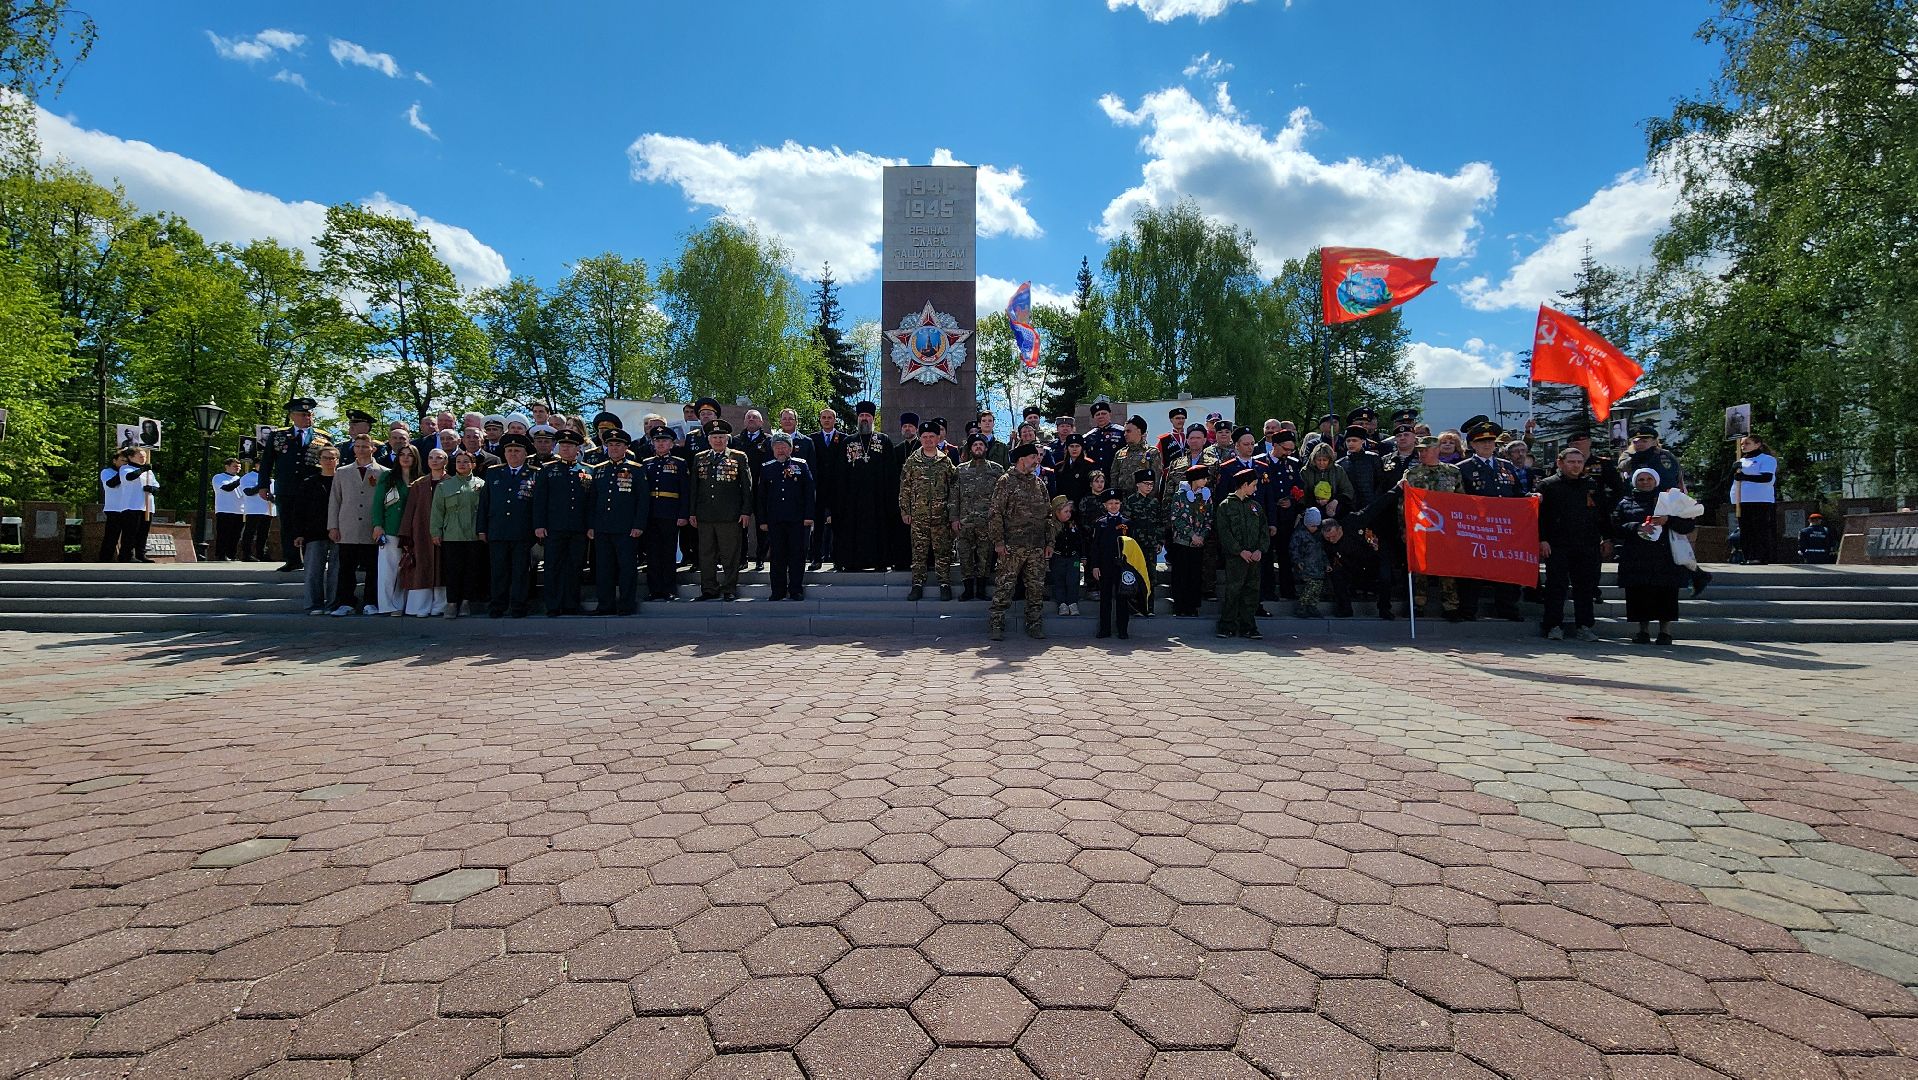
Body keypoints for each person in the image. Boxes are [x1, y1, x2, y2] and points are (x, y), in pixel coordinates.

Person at [1614, 466, 1696, 644]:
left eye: (1648, 479)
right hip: (1636, 556)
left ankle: (1665, 632)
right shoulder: (1625, 502)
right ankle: (1642, 631)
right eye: (1641, 480)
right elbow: (1615, 527)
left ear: (1656, 481)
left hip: (1664, 556)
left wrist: (1668, 520)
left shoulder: (1669, 501)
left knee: (1665, 593)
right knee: (1639, 593)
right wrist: (1637, 527)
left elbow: (1688, 525)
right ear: (1635, 482)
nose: (1645, 483)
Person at [1536, 446, 1608, 641]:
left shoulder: (1591, 484)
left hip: (1587, 544)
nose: (1576, 466)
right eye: (1571, 462)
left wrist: (1605, 537)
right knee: (1556, 586)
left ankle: (1584, 626)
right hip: (1558, 544)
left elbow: (1601, 514)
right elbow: (1540, 517)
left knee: (1585, 586)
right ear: (1560, 463)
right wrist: (1542, 539)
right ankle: (1553, 626)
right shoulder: (1547, 485)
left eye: (1579, 462)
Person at [1457, 420, 1527, 621]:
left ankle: (1507, 608)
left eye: (1490, 441)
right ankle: (1468, 609)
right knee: (1473, 570)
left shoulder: (1506, 466)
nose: (1487, 445)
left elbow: (1517, 493)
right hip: (1476, 528)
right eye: (1481, 442)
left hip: (1504, 529)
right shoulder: (1463, 468)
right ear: (1473, 445)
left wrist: (1531, 497)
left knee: (1506, 569)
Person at [986, 443, 1055, 640]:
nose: (1036, 460)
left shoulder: (1039, 484)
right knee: (1004, 587)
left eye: (1037, 457)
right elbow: (995, 513)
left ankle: (1034, 625)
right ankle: (996, 625)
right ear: (1021, 459)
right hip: (1011, 547)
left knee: (1035, 588)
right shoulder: (1005, 482)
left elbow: (1048, 515)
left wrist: (1049, 542)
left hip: (1036, 547)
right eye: (1033, 457)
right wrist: (998, 541)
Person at [258, 396, 330, 572]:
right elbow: (267, 462)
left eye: (309, 414)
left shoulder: (322, 436)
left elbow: (330, 461)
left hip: (313, 490)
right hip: (287, 488)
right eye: (302, 414)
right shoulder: (278, 436)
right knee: (288, 524)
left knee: (311, 524)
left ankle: (311, 559)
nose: (307, 417)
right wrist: (263, 485)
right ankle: (292, 559)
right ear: (292, 416)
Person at [1399, 436, 1464, 621]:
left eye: (1425, 450)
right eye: (1419, 450)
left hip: (1447, 529)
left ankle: (1451, 605)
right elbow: (1403, 504)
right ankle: (1418, 604)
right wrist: (1404, 528)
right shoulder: (1411, 474)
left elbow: (1462, 501)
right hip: (1421, 527)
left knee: (1447, 567)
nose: (1421, 453)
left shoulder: (1453, 472)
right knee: (1420, 567)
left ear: (1436, 450)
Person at [691, 419, 754, 601]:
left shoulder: (738, 457)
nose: (718, 440)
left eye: (721, 437)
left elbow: (746, 487)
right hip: (705, 515)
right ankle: (709, 589)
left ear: (727, 439)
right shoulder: (699, 457)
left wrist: (745, 511)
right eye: (714, 437)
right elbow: (694, 488)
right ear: (709, 439)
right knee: (706, 555)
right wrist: (692, 512)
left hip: (730, 515)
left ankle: (729, 588)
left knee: (730, 554)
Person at [534, 430, 594, 617]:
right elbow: (539, 500)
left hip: (578, 527)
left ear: (578, 449)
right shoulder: (547, 469)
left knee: (575, 566)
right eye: (562, 445)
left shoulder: (587, 470)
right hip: (554, 527)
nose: (565, 448)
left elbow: (591, 503)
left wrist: (590, 525)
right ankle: (553, 605)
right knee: (553, 566)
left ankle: (571, 603)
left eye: (569, 446)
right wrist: (539, 524)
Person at [325, 435, 386, 615]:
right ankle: (346, 602)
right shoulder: (342, 472)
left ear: (373, 449)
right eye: (357, 446)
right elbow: (335, 500)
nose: (361, 449)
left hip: (371, 527)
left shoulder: (383, 472)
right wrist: (333, 526)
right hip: (348, 527)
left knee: (372, 568)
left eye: (365, 446)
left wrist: (380, 525)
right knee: (346, 568)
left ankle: (371, 601)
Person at [480, 432, 538, 617]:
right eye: (509, 450)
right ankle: (498, 605)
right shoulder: (493, 472)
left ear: (525, 454)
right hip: (497, 530)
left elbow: (537, 505)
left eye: (517, 450)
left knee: (521, 571)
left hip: (522, 531)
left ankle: (519, 606)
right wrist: (481, 528)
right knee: (498, 571)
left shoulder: (535, 473)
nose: (513, 454)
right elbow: (485, 503)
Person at [898, 420, 957, 601]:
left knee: (942, 552)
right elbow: (905, 487)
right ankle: (917, 584)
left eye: (932, 437)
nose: (928, 440)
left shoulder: (945, 461)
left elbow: (954, 489)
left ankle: (944, 584)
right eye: (924, 437)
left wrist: (953, 514)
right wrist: (905, 511)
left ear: (938, 438)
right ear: (920, 438)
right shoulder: (912, 461)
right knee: (919, 552)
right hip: (918, 516)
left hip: (941, 516)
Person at [590, 429, 646, 616]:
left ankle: (626, 604)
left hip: (626, 528)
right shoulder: (599, 469)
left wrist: (638, 525)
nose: (614, 448)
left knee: (627, 568)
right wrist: (591, 525)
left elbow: (643, 500)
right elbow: (592, 500)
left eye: (618, 445)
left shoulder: (636, 469)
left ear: (626, 447)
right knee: (604, 568)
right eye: (611, 444)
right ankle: (605, 605)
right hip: (602, 528)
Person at [757, 431, 816, 601]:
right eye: (777, 447)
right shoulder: (767, 468)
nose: (780, 450)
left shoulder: (801, 465)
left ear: (791, 449)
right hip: (775, 520)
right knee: (777, 557)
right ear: (772, 449)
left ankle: (796, 589)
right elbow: (761, 497)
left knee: (797, 555)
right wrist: (762, 520)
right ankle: (778, 590)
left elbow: (809, 492)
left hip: (797, 520)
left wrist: (809, 516)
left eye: (784, 447)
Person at [835, 402, 893, 572]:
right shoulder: (848, 442)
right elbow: (841, 473)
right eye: (862, 416)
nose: (864, 419)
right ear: (858, 418)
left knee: (878, 529)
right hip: (854, 499)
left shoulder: (883, 440)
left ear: (873, 419)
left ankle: (880, 561)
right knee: (854, 530)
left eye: (868, 416)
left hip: (878, 497)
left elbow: (891, 472)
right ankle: (853, 562)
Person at [950, 433, 1005, 600]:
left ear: (986, 448)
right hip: (965, 521)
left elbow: (1001, 497)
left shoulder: (996, 469)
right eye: (975, 445)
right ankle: (968, 589)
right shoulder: (960, 470)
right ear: (970, 448)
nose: (978, 447)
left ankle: (981, 589)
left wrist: (997, 519)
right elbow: (954, 496)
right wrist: (954, 519)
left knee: (985, 557)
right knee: (965, 556)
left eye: (981, 445)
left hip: (986, 522)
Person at [432, 450, 487, 618]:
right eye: (459, 462)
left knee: (471, 570)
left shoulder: (482, 485)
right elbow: (437, 511)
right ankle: (451, 603)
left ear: (473, 465)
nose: (462, 464)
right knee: (453, 570)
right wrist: (435, 531)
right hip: (452, 535)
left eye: (466, 462)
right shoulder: (445, 485)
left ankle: (465, 602)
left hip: (473, 535)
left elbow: (484, 511)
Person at [638, 427, 690, 601]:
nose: (661, 443)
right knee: (652, 554)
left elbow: (685, 491)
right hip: (651, 514)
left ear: (672, 444)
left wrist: (683, 514)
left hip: (670, 513)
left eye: (665, 441)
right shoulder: (646, 464)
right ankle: (654, 589)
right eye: (657, 441)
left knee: (668, 553)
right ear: (653, 443)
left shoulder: (679, 463)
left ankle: (669, 589)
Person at [398, 448, 448, 617]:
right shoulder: (419, 484)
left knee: (442, 569)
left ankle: (440, 606)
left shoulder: (451, 482)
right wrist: (405, 534)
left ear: (445, 461)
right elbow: (410, 509)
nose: (435, 461)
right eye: (431, 457)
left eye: (439, 458)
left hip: (445, 532)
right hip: (420, 532)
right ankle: (420, 607)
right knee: (421, 568)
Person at [1215, 469, 1265, 638]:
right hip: (1236, 558)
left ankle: (1248, 626)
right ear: (1244, 485)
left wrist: (1260, 549)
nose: (1255, 489)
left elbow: (1263, 531)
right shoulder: (1225, 506)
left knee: (1252, 591)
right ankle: (1227, 624)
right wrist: (1239, 550)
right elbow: (1224, 532)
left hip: (1254, 558)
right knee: (1234, 590)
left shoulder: (1255, 506)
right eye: (1253, 485)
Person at [292, 445, 340, 615]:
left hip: (340, 532)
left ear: (338, 460)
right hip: (314, 532)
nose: (329, 461)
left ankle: (333, 604)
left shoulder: (343, 481)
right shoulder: (309, 483)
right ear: (319, 461)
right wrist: (299, 533)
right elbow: (299, 510)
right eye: (325, 458)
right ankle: (314, 605)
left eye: (332, 458)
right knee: (313, 571)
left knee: (337, 571)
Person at [370, 445, 418, 615]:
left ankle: (404, 604)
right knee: (389, 569)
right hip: (391, 528)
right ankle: (389, 605)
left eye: (410, 455)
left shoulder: (420, 478)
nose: (405, 458)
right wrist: (377, 524)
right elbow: (377, 503)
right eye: (402, 455)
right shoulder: (388, 477)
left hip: (414, 532)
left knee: (408, 569)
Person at [1166, 464, 1211, 617]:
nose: (1205, 481)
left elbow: (1208, 518)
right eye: (1203, 478)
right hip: (1182, 541)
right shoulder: (1180, 496)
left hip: (1198, 543)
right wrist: (1192, 534)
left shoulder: (1205, 496)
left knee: (1195, 575)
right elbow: (1175, 518)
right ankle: (1180, 606)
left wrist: (1202, 536)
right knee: (1181, 574)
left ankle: (1192, 606)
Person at [1090, 488, 1132, 641]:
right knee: (1105, 598)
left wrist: (1130, 567)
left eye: (1116, 503)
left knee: (1122, 598)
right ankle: (1105, 629)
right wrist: (1095, 566)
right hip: (1105, 565)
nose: (1114, 506)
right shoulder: (1100, 523)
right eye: (1110, 503)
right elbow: (1095, 546)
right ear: (1105, 505)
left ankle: (1123, 629)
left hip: (1122, 566)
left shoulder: (1127, 522)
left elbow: (1132, 546)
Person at [1121, 470, 1164, 616]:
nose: (1149, 487)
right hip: (1136, 545)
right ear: (1138, 484)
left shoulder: (1154, 502)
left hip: (1150, 544)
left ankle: (1148, 607)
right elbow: (1125, 524)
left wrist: (1159, 540)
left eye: (1151, 484)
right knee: (1136, 574)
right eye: (1146, 484)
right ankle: (1135, 608)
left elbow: (1160, 522)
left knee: (1151, 576)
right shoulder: (1130, 501)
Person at [1732, 434, 1779, 564]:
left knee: (1758, 528)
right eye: (1742, 444)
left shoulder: (1766, 459)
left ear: (1757, 444)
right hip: (1743, 499)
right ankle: (1748, 556)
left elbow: (1766, 478)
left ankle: (1760, 556)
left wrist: (1745, 477)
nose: (1743, 446)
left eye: (1747, 443)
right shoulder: (1741, 461)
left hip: (1760, 499)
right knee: (1745, 529)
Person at [808, 407, 845, 569]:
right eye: (824, 417)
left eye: (830, 417)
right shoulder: (812, 439)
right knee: (818, 527)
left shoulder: (843, 438)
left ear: (835, 420)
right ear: (820, 420)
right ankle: (817, 558)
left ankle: (838, 559)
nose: (827, 420)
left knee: (838, 526)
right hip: (819, 488)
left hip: (837, 489)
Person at [1108, 416, 1163, 508]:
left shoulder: (1152, 452)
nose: (1125, 434)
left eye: (1128, 431)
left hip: (1143, 504)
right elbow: (1114, 478)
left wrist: (1148, 502)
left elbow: (1155, 480)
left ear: (1139, 431)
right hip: (1123, 503)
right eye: (1124, 432)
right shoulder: (1120, 453)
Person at [1047, 496, 1083, 617]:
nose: (1068, 514)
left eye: (1069, 511)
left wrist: (1082, 556)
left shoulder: (1073, 525)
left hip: (1073, 558)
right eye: (1065, 511)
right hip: (1058, 558)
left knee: (1073, 580)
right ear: (1057, 512)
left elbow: (1080, 541)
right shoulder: (1051, 527)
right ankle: (1062, 604)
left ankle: (1073, 603)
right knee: (1059, 581)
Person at [1290, 508, 1329, 617]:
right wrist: (1297, 561)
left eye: (1316, 526)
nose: (1315, 528)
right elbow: (1294, 549)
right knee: (1310, 587)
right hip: (1306, 567)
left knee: (1317, 588)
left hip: (1318, 567)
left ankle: (1312, 606)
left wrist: (1326, 563)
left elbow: (1322, 551)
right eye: (1312, 526)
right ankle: (1302, 606)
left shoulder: (1318, 536)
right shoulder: (1299, 534)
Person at [238, 454, 274, 561]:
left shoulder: (271, 479)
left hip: (268, 510)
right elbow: (248, 492)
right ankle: (247, 554)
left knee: (264, 534)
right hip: (254, 509)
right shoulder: (247, 477)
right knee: (250, 532)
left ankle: (261, 553)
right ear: (257, 465)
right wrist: (261, 485)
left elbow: (274, 496)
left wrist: (272, 497)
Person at [211, 456, 247, 561]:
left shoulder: (239, 479)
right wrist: (241, 480)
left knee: (236, 535)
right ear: (227, 466)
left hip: (239, 510)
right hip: (225, 510)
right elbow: (227, 488)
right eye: (235, 466)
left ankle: (232, 555)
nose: (237, 468)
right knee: (223, 534)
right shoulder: (219, 477)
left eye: (239, 467)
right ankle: (221, 554)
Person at [1082, 401, 1124, 474]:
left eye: (1104, 413)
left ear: (1110, 414)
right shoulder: (1087, 437)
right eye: (1097, 414)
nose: (1101, 416)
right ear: (1093, 418)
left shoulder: (1122, 432)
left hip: (1116, 476)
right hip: (1095, 479)